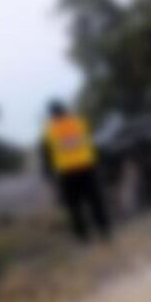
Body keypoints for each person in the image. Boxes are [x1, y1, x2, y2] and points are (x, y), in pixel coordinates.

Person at [40, 100, 110, 242]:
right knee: (95, 201)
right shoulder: (79, 123)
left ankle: (83, 236)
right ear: (65, 110)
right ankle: (105, 231)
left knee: (74, 207)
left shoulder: (49, 130)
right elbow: (93, 144)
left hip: (67, 173)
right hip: (87, 168)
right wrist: (99, 163)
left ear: (51, 114)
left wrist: (48, 173)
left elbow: (46, 155)